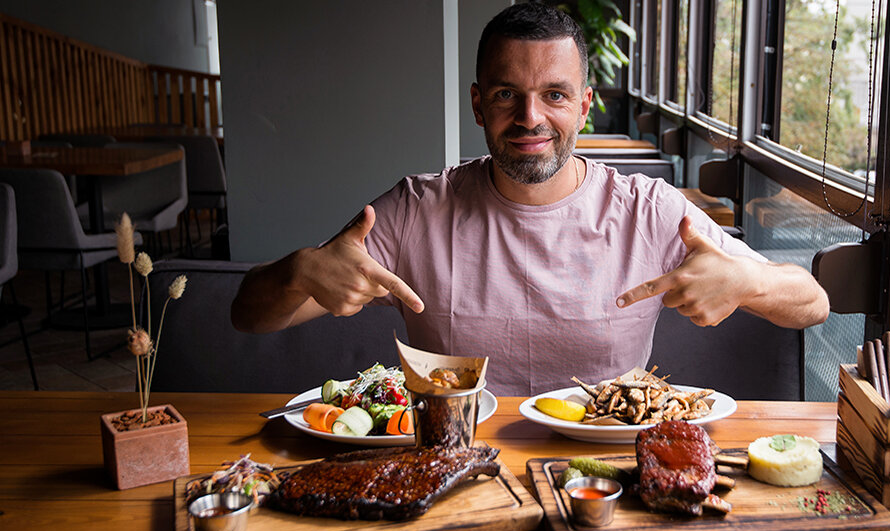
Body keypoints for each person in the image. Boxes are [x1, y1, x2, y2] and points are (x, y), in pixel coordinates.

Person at [231, 3, 829, 395]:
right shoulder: (416, 210)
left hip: (605, 471)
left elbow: (813, 303)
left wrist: (746, 281)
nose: (530, 117)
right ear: (477, 104)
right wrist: (301, 269)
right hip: (454, 465)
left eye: (554, 95)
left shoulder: (648, 210)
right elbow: (248, 315)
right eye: (505, 95)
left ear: (585, 105)